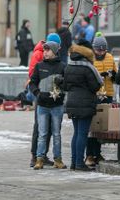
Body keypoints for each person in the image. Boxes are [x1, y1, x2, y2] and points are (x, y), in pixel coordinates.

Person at [64, 39, 103, 171]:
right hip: (85, 103)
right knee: (82, 133)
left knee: (76, 133)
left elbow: (65, 85)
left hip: (72, 102)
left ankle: (74, 162)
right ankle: (79, 164)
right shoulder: (87, 67)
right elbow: (95, 86)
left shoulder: (69, 65)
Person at [29, 40, 67, 170]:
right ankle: (39, 159)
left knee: (56, 134)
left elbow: (67, 85)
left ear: (55, 52)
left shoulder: (63, 67)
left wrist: (62, 83)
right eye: (44, 50)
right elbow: (32, 82)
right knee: (42, 133)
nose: (44, 52)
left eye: (47, 50)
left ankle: (58, 159)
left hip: (57, 106)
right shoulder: (39, 66)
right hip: (42, 106)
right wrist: (37, 93)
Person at [85, 34, 117, 167]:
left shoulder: (110, 58)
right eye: (99, 50)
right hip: (95, 95)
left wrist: (113, 75)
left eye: (104, 50)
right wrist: (100, 76)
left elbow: (116, 75)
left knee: (102, 127)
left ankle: (97, 154)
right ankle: (89, 154)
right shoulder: (90, 59)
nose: (102, 53)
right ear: (94, 49)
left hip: (107, 94)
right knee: (93, 126)